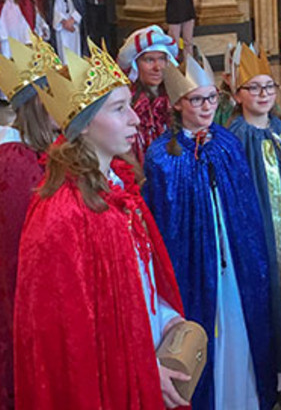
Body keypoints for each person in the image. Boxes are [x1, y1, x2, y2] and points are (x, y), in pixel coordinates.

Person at [16, 43, 189, 409]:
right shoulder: (63, 214)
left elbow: (138, 280)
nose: (136, 119)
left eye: (130, 105)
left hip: (146, 347)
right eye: (118, 109)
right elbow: (74, 335)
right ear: (83, 125)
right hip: (112, 378)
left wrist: (166, 317)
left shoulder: (119, 185)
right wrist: (142, 365)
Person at [143, 54, 276, 410]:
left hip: (235, 260)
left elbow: (246, 210)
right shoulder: (161, 157)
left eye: (212, 98)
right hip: (193, 267)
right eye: (196, 99)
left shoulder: (227, 143)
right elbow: (163, 224)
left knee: (238, 330)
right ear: (177, 104)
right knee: (207, 331)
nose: (206, 107)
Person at [226, 42, 281, 409]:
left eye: (269, 87)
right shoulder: (234, 137)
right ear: (237, 94)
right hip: (260, 243)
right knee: (268, 308)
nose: (263, 94)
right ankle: (272, 377)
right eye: (253, 88)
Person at [0, 37, 61, 410]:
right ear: (41, 102)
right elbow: (16, 253)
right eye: (60, 91)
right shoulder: (10, 159)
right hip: (24, 303)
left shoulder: (42, 147)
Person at [116, 24, 179, 165]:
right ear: (135, 65)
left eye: (162, 59)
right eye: (149, 60)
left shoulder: (177, 97)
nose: (157, 67)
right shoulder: (126, 102)